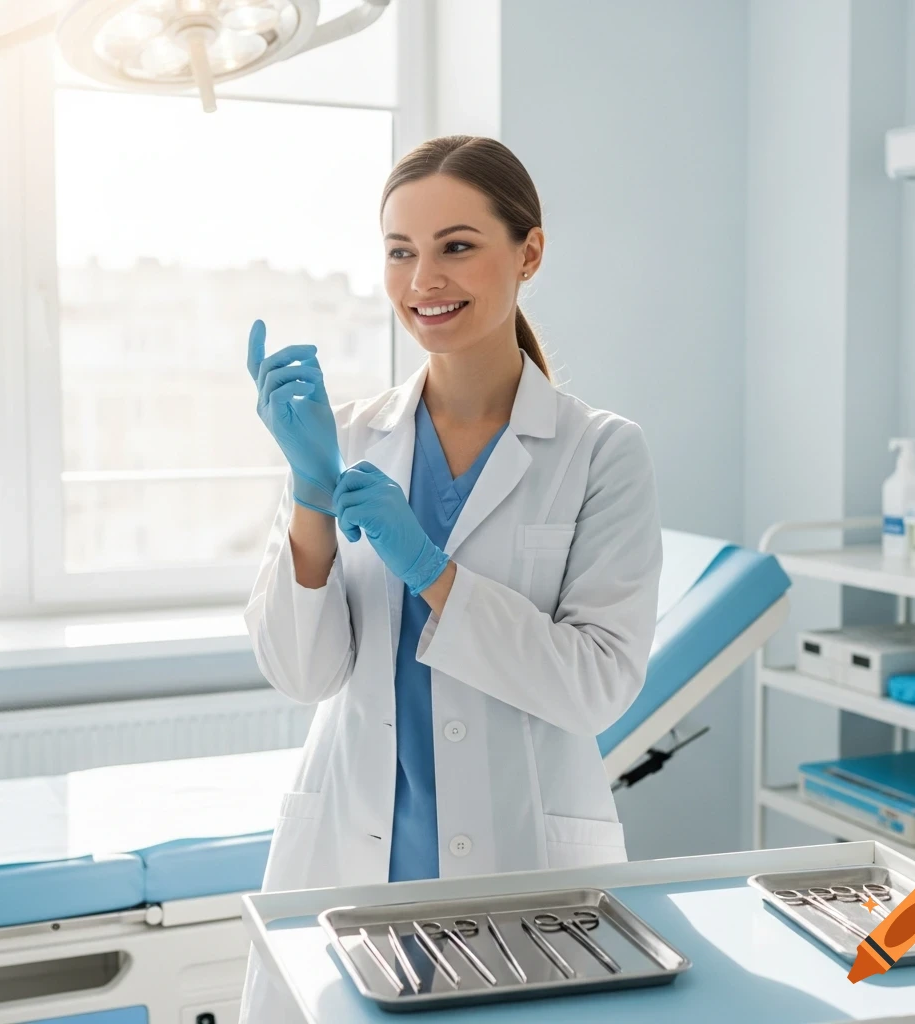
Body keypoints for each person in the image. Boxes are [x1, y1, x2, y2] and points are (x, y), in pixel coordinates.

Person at [239, 135, 662, 1021]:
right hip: (353, 859)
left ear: (529, 253)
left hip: (524, 866)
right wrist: (311, 496)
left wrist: (434, 573)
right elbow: (302, 674)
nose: (423, 279)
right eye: (401, 252)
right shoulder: (346, 438)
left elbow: (596, 686)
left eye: (457, 246)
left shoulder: (601, 453)